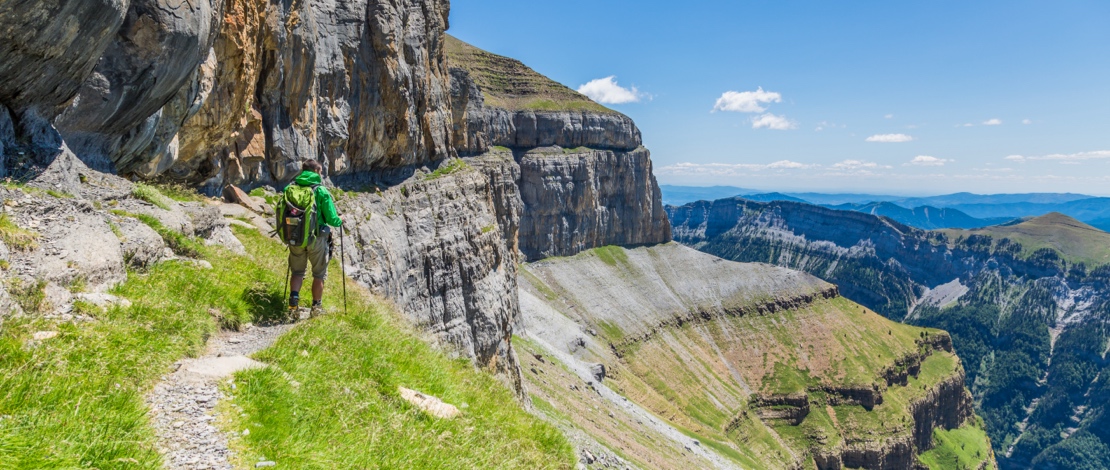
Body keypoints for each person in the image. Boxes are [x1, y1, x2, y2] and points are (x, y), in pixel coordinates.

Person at [286, 160, 343, 317]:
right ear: (315, 172)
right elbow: (332, 219)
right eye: (320, 171)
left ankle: (293, 305)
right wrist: (340, 220)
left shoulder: (290, 188)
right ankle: (316, 308)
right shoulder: (321, 191)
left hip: (295, 237)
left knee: (297, 271)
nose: (322, 174)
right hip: (316, 239)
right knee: (319, 274)